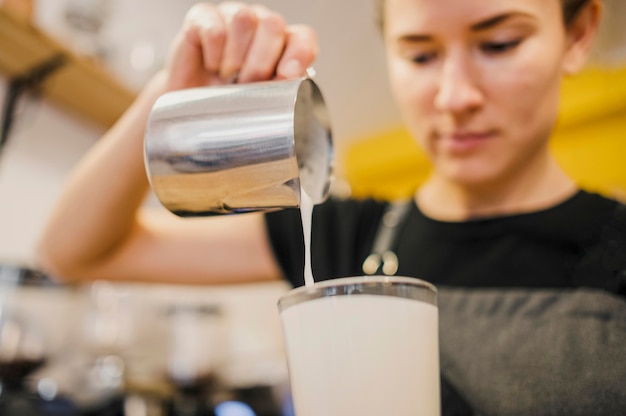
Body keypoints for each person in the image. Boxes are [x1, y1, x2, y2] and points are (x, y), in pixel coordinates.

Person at [38, 0, 626, 414]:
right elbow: (73, 252)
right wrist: (173, 86)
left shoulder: (616, 243)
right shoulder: (346, 236)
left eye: (499, 43)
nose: (454, 96)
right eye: (420, 55)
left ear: (577, 35)